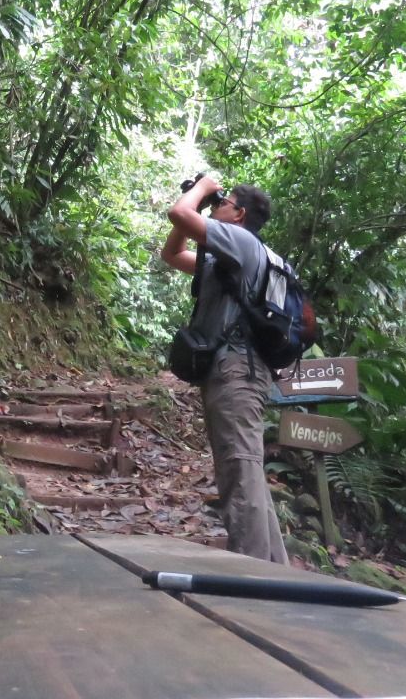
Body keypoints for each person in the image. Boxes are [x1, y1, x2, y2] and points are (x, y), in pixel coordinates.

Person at [161, 175, 287, 565]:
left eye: (224, 202)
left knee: (239, 466)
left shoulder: (243, 241)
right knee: (245, 466)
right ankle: (275, 568)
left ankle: (248, 570)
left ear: (240, 214)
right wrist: (202, 207)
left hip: (237, 369)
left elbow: (177, 213)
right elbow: (172, 253)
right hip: (236, 370)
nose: (218, 205)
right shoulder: (229, 254)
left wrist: (202, 187)